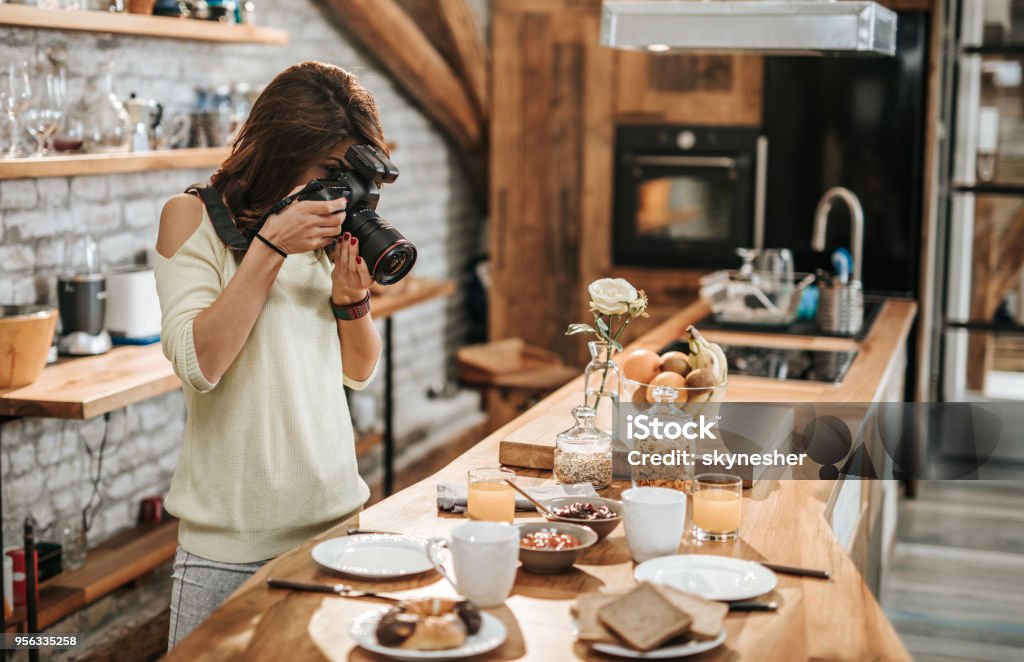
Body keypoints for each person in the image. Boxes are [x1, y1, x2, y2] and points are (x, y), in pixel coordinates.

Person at [154, 61, 386, 649]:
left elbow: (358, 372)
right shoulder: (194, 218)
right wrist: (270, 248)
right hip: (229, 549)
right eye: (332, 169)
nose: (340, 190)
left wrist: (352, 300)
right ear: (282, 148)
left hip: (337, 529)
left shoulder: (320, 230)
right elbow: (199, 364)